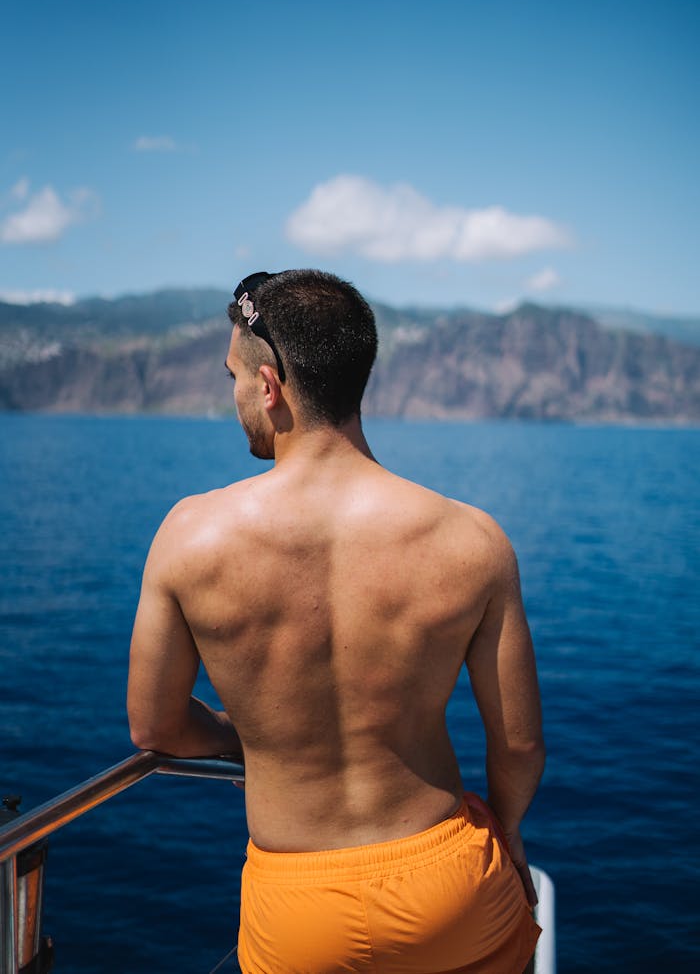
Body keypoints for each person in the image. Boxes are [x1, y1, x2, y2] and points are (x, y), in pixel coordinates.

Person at [127, 269, 545, 974]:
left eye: (232, 376)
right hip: (448, 883)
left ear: (269, 386)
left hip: (299, 906)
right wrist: (508, 834)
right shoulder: (472, 539)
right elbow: (521, 747)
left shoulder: (190, 537)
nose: (232, 396)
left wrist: (242, 740)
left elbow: (155, 728)